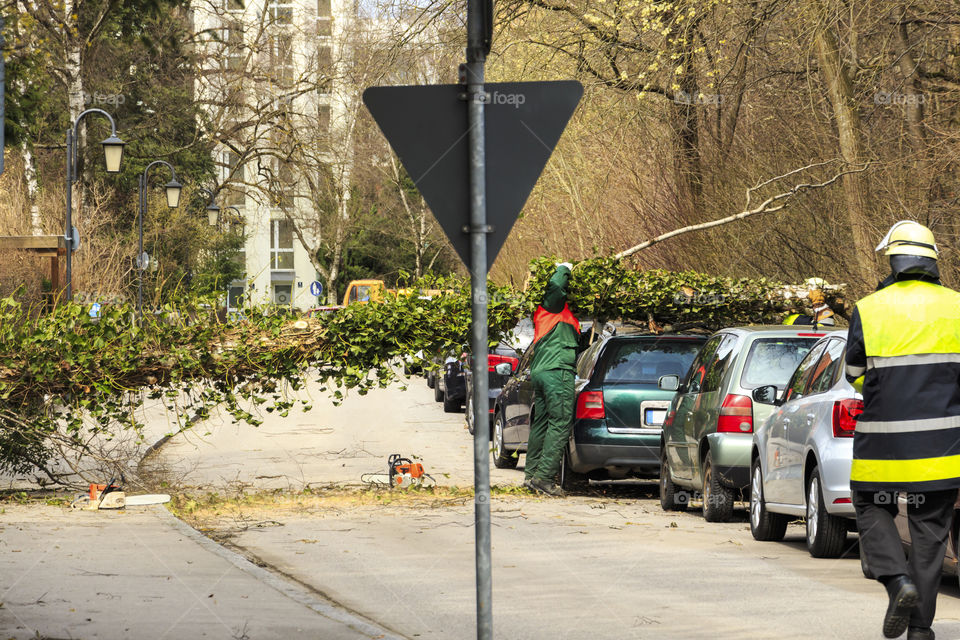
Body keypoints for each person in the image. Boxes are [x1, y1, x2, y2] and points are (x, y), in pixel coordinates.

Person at [845, 220, 960, 640]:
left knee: (872, 506)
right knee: (931, 530)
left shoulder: (869, 308)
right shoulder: (957, 307)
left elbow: (854, 373)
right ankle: (920, 630)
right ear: (931, 260)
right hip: (944, 447)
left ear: (893, 260)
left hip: (883, 445)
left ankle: (897, 582)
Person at [524, 262, 580, 497]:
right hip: (557, 371)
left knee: (543, 422)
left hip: (543, 371)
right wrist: (564, 268)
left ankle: (531, 475)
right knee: (561, 421)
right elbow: (557, 284)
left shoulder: (551, 311)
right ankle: (544, 478)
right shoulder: (553, 305)